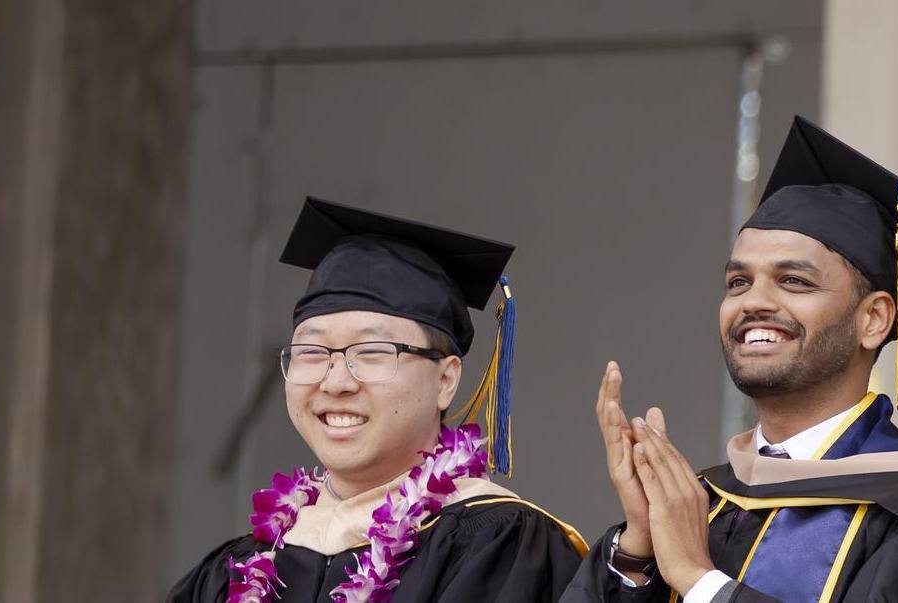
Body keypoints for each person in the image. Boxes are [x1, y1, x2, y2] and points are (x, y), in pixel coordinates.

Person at [560, 116, 898, 603]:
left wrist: (700, 581)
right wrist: (637, 551)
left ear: (875, 320)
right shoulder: (702, 501)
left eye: (793, 281)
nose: (752, 302)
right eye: (738, 282)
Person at [170, 198, 588, 602]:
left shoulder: (498, 546)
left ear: (445, 379)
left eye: (371, 353)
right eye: (312, 353)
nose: (335, 383)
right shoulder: (233, 573)